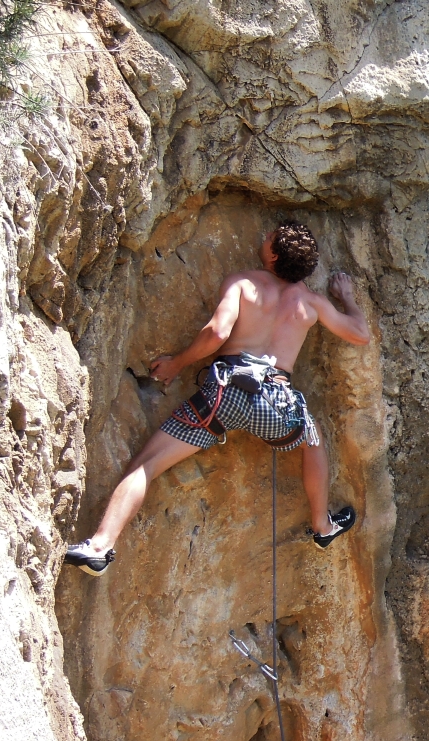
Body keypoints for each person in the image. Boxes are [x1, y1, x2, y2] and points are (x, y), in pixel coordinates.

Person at [64, 221, 371, 576]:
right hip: (276, 403)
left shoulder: (244, 283)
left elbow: (217, 332)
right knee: (312, 439)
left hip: (226, 393)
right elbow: (360, 334)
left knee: (145, 465)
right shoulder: (312, 304)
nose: (262, 236)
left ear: (273, 255)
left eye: (268, 236)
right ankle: (322, 526)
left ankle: (100, 546)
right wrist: (346, 296)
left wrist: (177, 363)